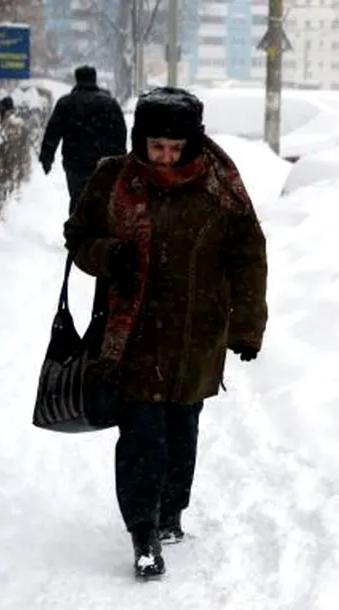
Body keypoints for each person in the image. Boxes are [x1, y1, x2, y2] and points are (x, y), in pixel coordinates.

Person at [63, 87, 268, 581]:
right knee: (141, 433)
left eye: (176, 148)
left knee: (181, 428)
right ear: (141, 139)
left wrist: (246, 327)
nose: (166, 157)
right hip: (132, 334)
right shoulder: (113, 177)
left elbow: (247, 256)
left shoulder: (221, 185)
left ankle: (171, 512)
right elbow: (79, 236)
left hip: (197, 334)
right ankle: (144, 531)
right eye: (157, 146)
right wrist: (108, 255)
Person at [39, 66, 128, 214]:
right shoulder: (109, 103)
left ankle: (77, 224)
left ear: (77, 79)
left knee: (77, 197)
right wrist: (121, 159)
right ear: (95, 79)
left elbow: (53, 132)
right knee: (102, 199)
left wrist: (47, 157)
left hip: (75, 162)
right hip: (103, 162)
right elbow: (120, 133)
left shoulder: (66, 103)